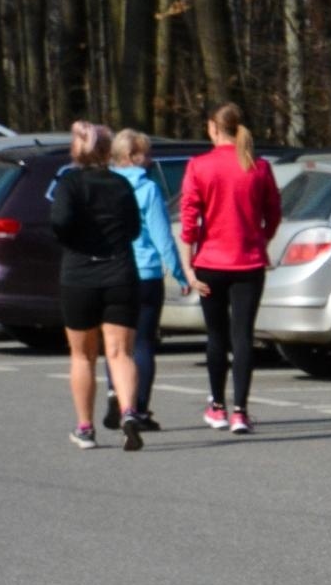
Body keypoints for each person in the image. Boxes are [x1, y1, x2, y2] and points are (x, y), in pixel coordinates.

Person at [180, 102, 281, 435]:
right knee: (242, 336)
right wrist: (259, 239)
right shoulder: (258, 166)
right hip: (248, 262)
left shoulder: (199, 166)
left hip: (210, 261)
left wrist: (188, 266)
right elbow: (274, 214)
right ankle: (240, 411)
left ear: (212, 127)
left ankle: (218, 408)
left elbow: (189, 220)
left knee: (216, 336)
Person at [50, 120, 145, 452]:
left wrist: (74, 240)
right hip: (120, 273)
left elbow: (59, 222)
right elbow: (134, 228)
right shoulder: (121, 184)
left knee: (83, 355)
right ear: (107, 151)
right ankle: (131, 412)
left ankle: (85, 428)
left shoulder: (69, 183)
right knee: (120, 353)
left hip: (79, 276)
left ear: (76, 150)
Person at [103, 129, 193, 433]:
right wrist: (179, 272)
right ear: (131, 157)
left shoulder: (106, 185)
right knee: (141, 342)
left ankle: (114, 392)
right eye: (146, 154)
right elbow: (161, 236)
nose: (151, 160)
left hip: (112, 271)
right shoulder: (148, 189)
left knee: (115, 343)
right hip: (145, 272)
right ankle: (138, 408)